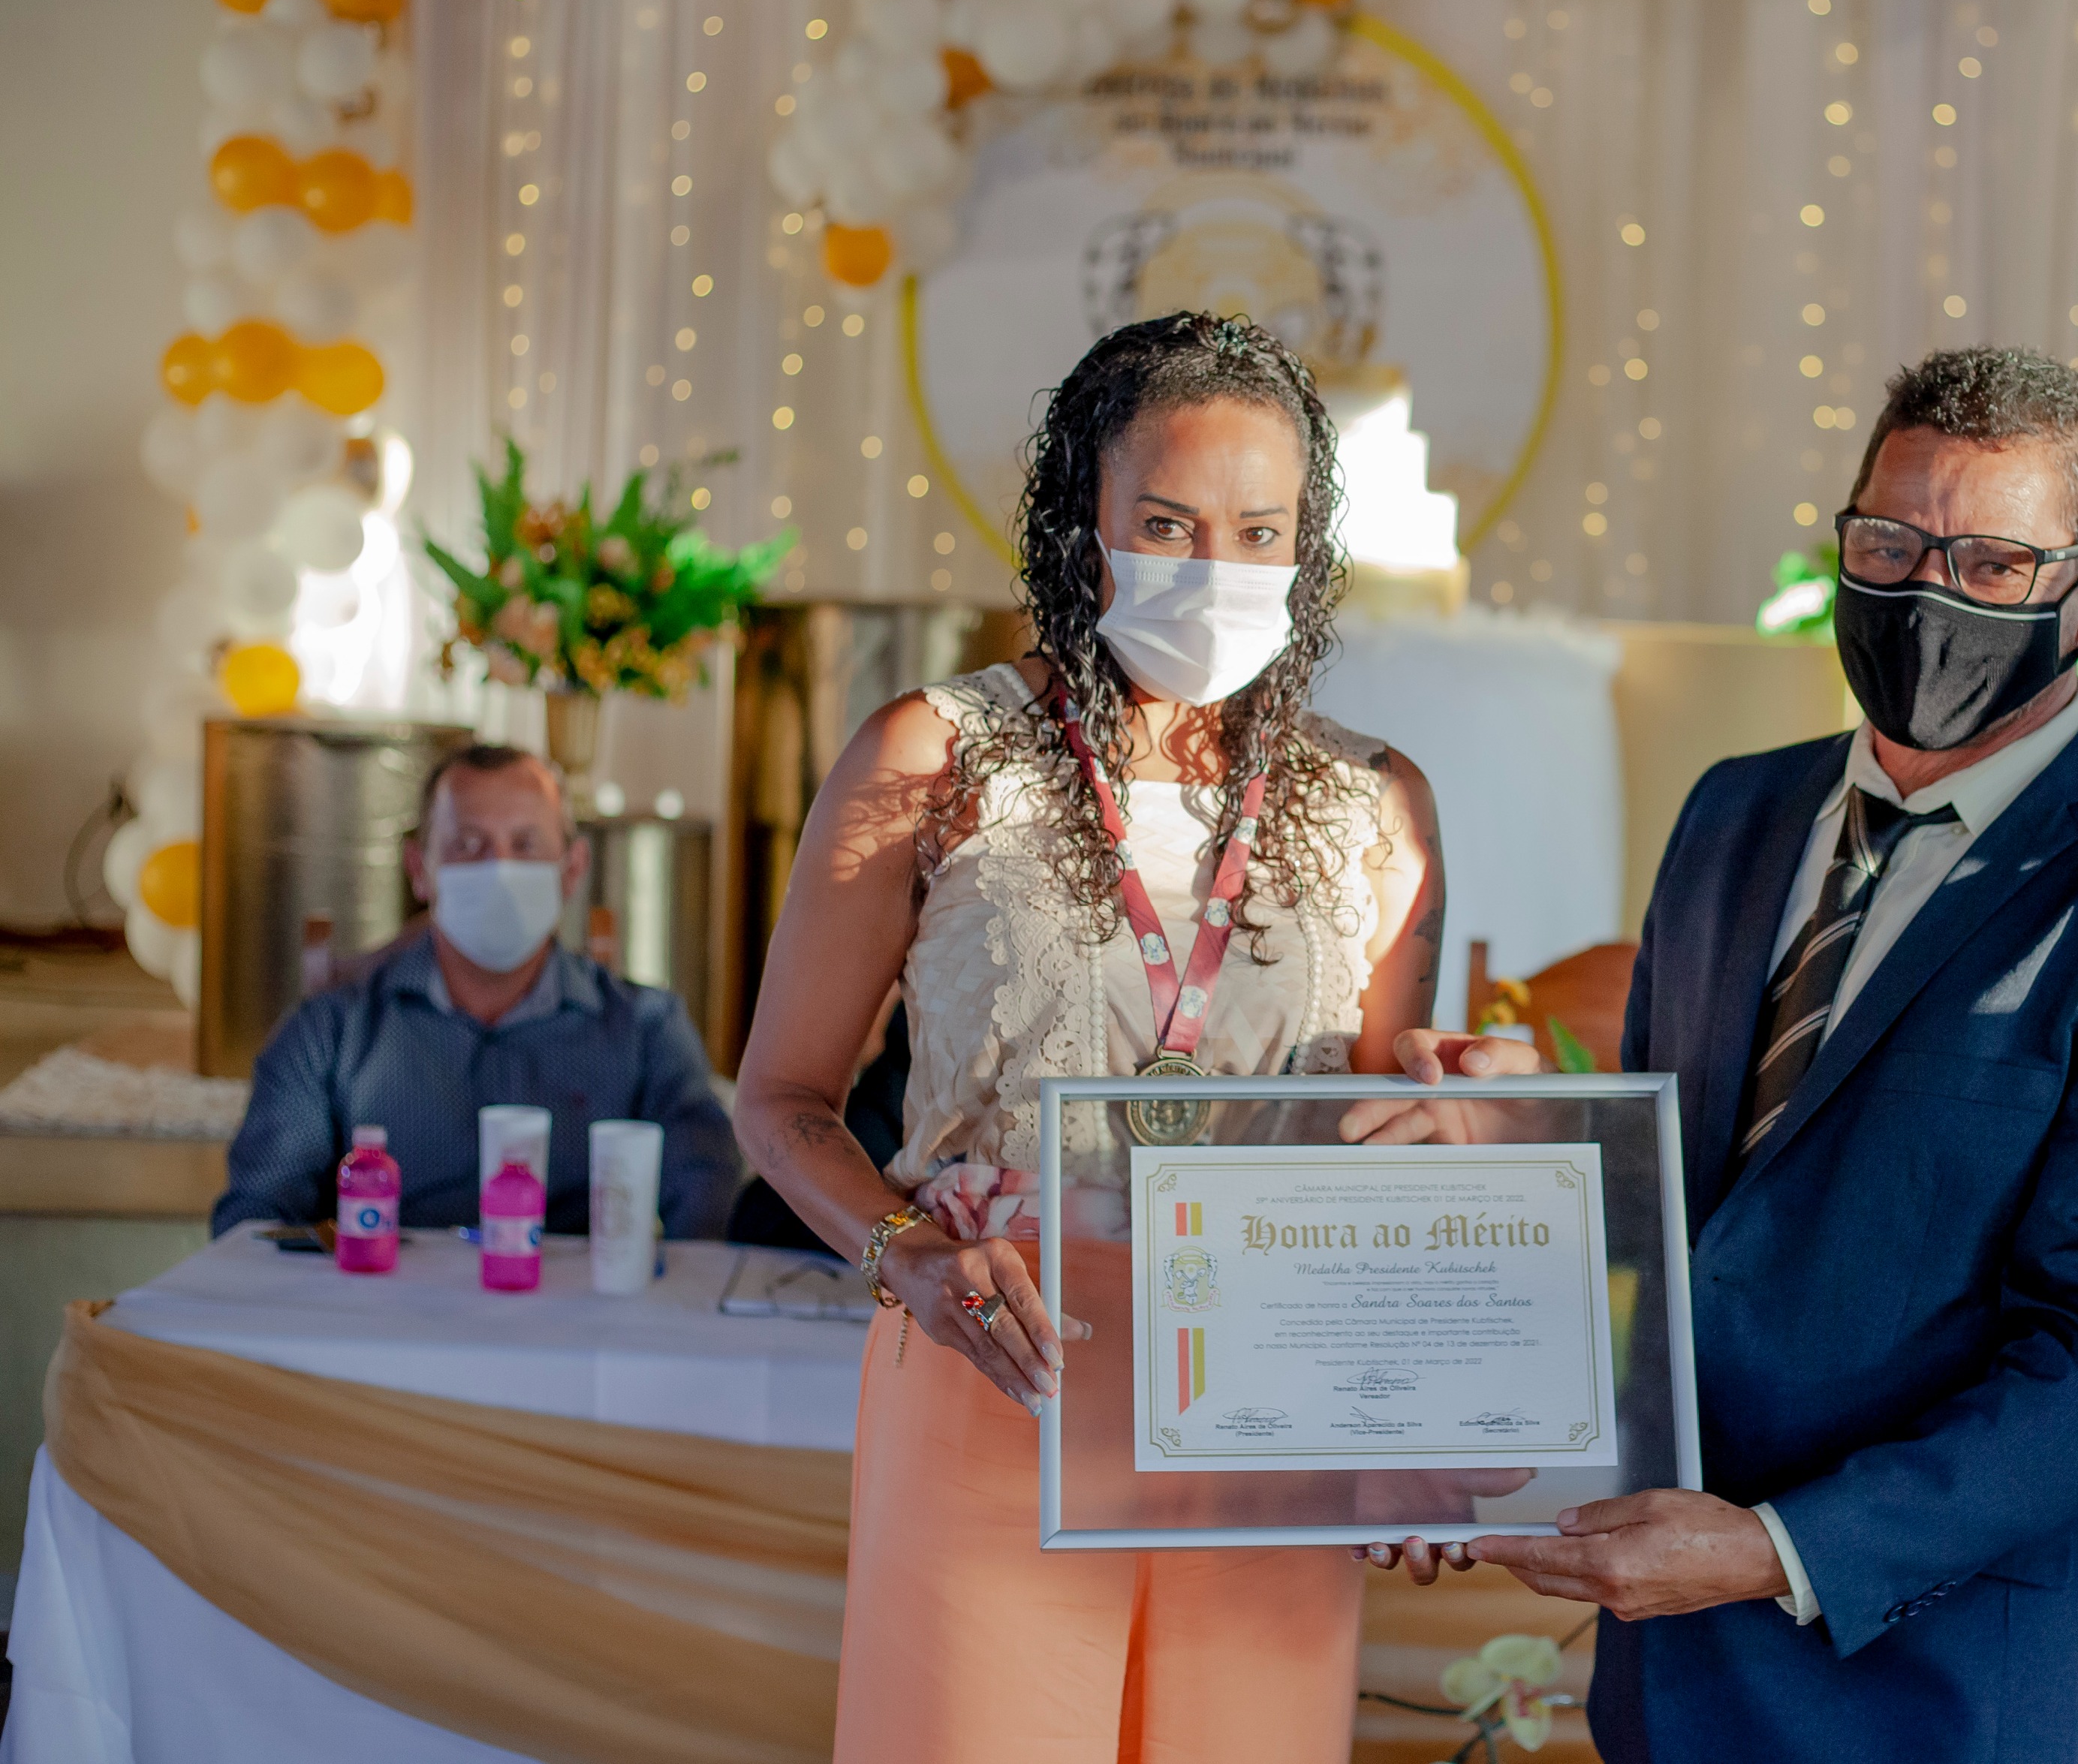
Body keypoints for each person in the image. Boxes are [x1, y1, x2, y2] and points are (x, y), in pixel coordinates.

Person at [1380, 348, 2078, 1764]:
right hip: (1666, 1677)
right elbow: (1690, 1208)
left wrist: (1771, 1549)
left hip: (1939, 1691)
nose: (1926, 595)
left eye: (1992, 565)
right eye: (1889, 545)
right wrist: (1538, 1147)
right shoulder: (1731, 815)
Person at [731, 313, 1451, 1764]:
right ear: (1083, 522)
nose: (1215, 567)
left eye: (1260, 533)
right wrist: (906, 1257)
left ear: (1307, 551)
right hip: (997, 1364)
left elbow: (1389, 1161)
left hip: (1271, 1396)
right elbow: (783, 1098)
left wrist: (1422, 1412)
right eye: (1167, 524)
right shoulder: (934, 754)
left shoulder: (1377, 801)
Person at [213, 743, 740, 1239]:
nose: (499, 869)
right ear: (419, 869)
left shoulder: (647, 1030)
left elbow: (708, 1218)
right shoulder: (330, 1032)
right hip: (385, 1299)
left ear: (572, 869)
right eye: (468, 845)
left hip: (572, 1302)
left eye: (525, 844)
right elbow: (255, 1226)